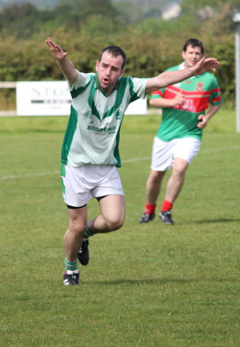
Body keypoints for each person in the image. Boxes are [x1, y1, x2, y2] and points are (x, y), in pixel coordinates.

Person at [45, 37, 220, 286]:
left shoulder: (127, 87)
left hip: (105, 166)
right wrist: (61, 60)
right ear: (97, 65)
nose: (108, 72)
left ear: (121, 72)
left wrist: (194, 70)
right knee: (75, 223)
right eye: (105, 66)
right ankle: (70, 270)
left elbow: (162, 81)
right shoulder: (83, 84)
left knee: (115, 220)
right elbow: (70, 72)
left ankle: (85, 234)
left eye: (114, 68)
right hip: (75, 165)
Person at [139, 38, 222, 225]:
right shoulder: (170, 75)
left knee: (180, 167)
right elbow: (153, 100)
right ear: (183, 54)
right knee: (155, 175)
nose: (194, 56)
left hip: (191, 133)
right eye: (191, 52)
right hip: (165, 134)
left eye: (198, 53)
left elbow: (217, 102)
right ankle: (149, 210)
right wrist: (171, 102)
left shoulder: (209, 79)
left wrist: (207, 117)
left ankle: (166, 210)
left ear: (202, 56)